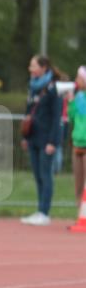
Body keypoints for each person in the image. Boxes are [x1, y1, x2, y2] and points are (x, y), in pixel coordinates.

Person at [20, 54, 62, 226]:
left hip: (46, 138)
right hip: (33, 137)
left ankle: (45, 212)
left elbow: (57, 116)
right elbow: (28, 111)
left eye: (33, 66)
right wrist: (25, 136)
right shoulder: (32, 87)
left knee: (46, 175)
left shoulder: (54, 88)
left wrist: (53, 141)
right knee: (37, 175)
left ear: (44, 67)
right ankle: (39, 210)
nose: (30, 69)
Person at [67, 65, 86, 213]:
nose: (76, 80)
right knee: (78, 181)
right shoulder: (78, 97)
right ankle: (80, 212)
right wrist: (71, 102)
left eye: (79, 77)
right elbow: (72, 116)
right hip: (77, 142)